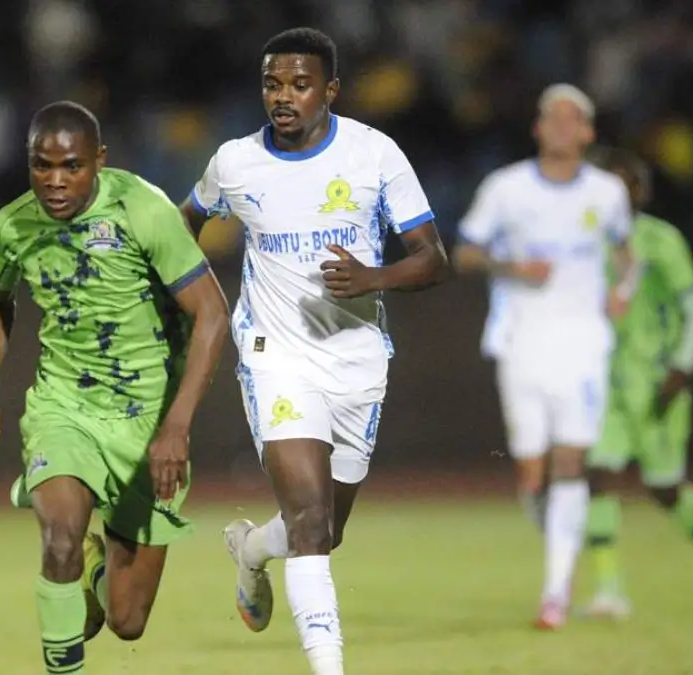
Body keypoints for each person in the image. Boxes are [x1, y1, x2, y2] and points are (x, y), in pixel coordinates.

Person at [180, 28, 448, 675]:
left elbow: (433, 258)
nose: (284, 96)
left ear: (330, 91)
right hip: (275, 355)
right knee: (308, 522)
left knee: (325, 531)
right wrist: (199, 300)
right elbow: (183, 225)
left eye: (300, 85)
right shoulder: (235, 162)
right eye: (272, 84)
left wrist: (373, 277)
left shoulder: (373, 153)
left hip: (356, 358)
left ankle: (251, 550)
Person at [0, 101, 229, 675]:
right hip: (65, 408)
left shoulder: (142, 209)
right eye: (42, 165)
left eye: (72, 166)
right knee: (59, 541)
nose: (55, 181)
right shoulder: (12, 226)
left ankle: (96, 560)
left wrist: (177, 427)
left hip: (147, 420)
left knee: (125, 619)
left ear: (99, 161)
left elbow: (211, 312)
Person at [455, 84, 637, 630]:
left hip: (583, 344)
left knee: (571, 464)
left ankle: (555, 592)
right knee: (532, 473)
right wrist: (512, 267)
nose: (560, 125)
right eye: (551, 117)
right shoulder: (506, 188)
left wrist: (622, 291)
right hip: (521, 341)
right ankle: (562, 540)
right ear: (537, 128)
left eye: (571, 117)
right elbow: (465, 252)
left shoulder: (607, 192)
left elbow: (626, 255)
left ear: (587, 131)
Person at [581, 146, 693, 618]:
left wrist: (682, 366)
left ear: (641, 192)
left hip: (656, 383)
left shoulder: (661, 240)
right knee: (600, 474)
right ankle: (609, 589)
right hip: (606, 381)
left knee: (663, 486)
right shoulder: (585, 240)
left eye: (624, 184)